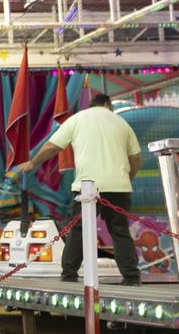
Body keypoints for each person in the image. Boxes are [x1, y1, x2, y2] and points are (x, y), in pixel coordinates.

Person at [15, 92, 143, 285]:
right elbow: (136, 157)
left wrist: (33, 162)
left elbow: (52, 146)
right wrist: (127, 178)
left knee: (78, 230)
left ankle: (69, 274)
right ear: (108, 105)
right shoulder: (121, 123)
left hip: (87, 186)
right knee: (120, 231)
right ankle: (132, 277)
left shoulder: (77, 119)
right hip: (119, 186)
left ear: (92, 105)